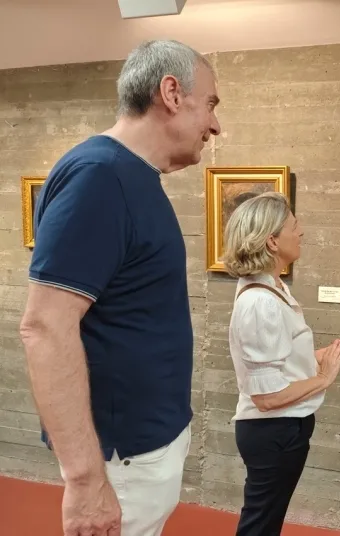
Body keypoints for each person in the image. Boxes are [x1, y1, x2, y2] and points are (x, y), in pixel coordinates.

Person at [19, 40, 221, 536]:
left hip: (142, 446)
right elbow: (45, 327)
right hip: (119, 460)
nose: (215, 125)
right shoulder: (100, 176)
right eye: (211, 105)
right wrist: (86, 481)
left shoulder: (132, 176)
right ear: (171, 93)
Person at [222, 192, 340, 536]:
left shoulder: (272, 287)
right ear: (272, 241)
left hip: (284, 429)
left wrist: (313, 357)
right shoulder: (260, 302)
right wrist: (323, 378)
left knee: (267, 522)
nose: (301, 231)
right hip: (273, 431)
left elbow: (276, 362)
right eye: (294, 225)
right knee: (260, 525)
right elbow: (267, 397)